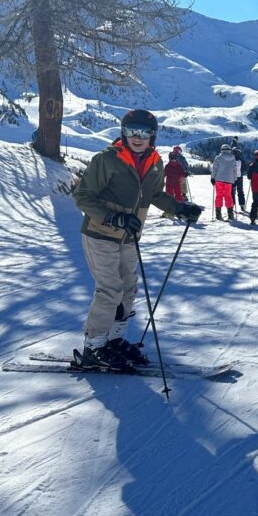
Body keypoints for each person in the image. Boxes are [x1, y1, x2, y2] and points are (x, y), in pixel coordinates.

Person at [71, 109, 203, 370]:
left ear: (152, 136)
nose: (138, 137)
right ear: (124, 133)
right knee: (110, 290)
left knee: (129, 289)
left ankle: (113, 340)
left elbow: (154, 194)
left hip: (129, 237)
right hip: (100, 235)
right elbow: (82, 197)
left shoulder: (155, 162)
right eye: (132, 131)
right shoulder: (107, 160)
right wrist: (114, 218)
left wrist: (179, 208)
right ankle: (93, 347)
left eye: (144, 132)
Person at [211, 143, 238, 221]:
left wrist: (212, 178)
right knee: (228, 196)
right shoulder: (233, 158)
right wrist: (235, 179)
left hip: (219, 179)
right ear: (229, 150)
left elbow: (214, 169)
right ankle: (230, 214)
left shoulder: (218, 158)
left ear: (221, 150)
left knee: (219, 196)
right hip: (229, 180)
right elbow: (234, 170)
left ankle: (218, 214)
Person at [161, 151, 187, 218]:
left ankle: (180, 210)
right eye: (172, 158)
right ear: (170, 159)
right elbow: (164, 174)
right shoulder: (168, 166)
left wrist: (185, 174)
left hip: (176, 183)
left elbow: (182, 173)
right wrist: (160, 178)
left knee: (178, 196)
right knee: (169, 196)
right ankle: (169, 211)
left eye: (174, 158)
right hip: (169, 183)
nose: (173, 160)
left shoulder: (178, 166)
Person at [231, 146, 247, 210]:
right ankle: (242, 205)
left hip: (231, 177)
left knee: (232, 192)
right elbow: (244, 168)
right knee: (240, 191)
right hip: (239, 177)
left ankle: (232, 205)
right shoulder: (241, 160)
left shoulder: (230, 159)